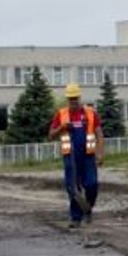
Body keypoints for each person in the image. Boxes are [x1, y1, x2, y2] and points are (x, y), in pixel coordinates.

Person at [48, 83, 104, 231]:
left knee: (91, 185)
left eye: (75, 98)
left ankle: (88, 208)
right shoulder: (61, 115)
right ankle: (76, 218)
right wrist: (62, 128)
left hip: (88, 157)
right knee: (73, 188)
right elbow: (50, 135)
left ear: (79, 97)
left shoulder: (91, 113)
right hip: (70, 157)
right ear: (67, 99)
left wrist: (100, 153)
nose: (73, 101)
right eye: (70, 98)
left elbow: (99, 134)